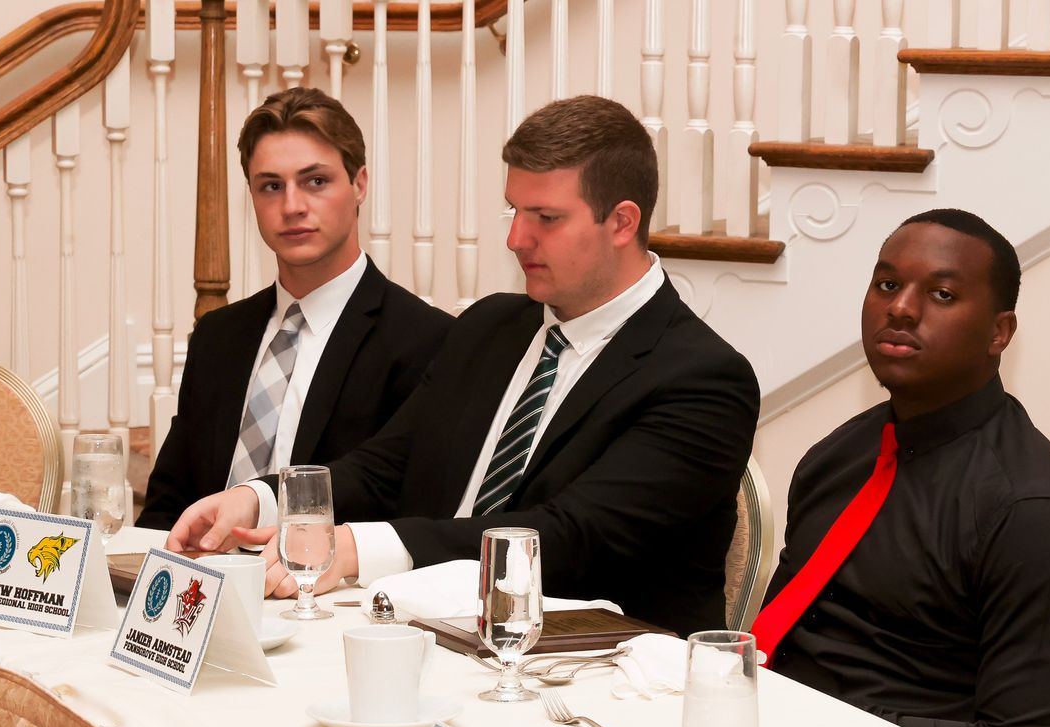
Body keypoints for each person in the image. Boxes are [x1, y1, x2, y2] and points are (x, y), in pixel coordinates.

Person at [167, 95, 759, 637]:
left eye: (545, 218)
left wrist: (355, 546)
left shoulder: (702, 378)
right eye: (513, 211)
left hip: (592, 679)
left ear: (623, 222)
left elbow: (571, 538)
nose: (516, 239)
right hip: (424, 637)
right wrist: (259, 498)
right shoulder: (491, 328)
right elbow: (385, 466)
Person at [754, 210, 1050, 727]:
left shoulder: (1034, 518)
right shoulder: (838, 455)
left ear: (1000, 332)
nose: (900, 307)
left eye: (943, 294)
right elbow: (782, 638)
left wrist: (817, 726)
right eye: (888, 284)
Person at [137, 88, 450, 530]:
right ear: (252, 197)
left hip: (328, 590)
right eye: (271, 186)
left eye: (316, 181)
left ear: (359, 185)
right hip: (204, 584)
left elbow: (395, 496)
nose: (292, 206)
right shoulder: (218, 335)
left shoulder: (426, 340)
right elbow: (167, 506)